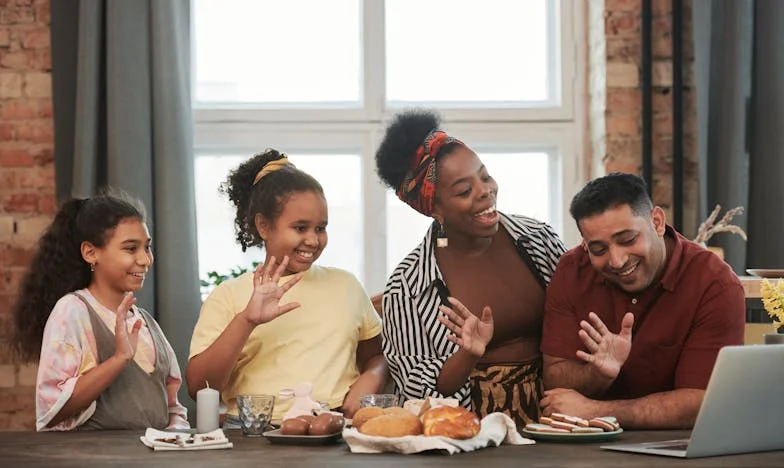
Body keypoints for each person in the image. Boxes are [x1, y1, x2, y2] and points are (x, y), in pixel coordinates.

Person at [376, 109, 566, 428]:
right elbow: (415, 391)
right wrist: (468, 355)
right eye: (464, 191)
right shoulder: (407, 286)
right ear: (434, 208)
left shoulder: (539, 240)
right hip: (466, 432)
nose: (485, 191)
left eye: (485, 175)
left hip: (555, 424)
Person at [186, 149, 386, 422]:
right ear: (264, 226)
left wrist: (371, 377)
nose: (313, 241)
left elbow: (376, 356)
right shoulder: (229, 296)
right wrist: (247, 321)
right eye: (300, 228)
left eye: (320, 228)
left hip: (333, 429)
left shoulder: (346, 285)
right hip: (252, 437)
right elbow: (199, 388)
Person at [540, 173, 745, 429]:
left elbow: (702, 403)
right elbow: (555, 381)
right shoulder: (572, 270)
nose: (616, 261)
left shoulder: (714, 283)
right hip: (584, 444)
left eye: (627, 240)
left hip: (678, 447)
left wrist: (594, 411)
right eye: (599, 249)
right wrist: (596, 374)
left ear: (657, 222)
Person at [10, 191, 189, 431]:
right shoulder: (72, 311)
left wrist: (176, 430)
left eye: (146, 247)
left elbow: (173, 409)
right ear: (90, 253)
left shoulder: (146, 322)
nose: (145, 259)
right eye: (130, 248)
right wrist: (119, 359)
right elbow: (50, 411)